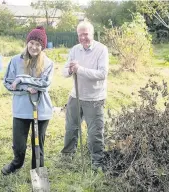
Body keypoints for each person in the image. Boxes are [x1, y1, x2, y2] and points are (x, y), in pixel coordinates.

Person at [1, 26, 54, 175]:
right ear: (27, 42)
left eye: (38, 44)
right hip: (21, 109)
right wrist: (25, 88)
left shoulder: (48, 63)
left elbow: (44, 84)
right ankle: (17, 163)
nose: (34, 47)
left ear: (42, 47)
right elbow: (7, 83)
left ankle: (37, 170)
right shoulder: (15, 60)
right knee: (19, 145)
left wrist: (21, 79)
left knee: (38, 144)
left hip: (41, 109)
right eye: (32, 42)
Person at [60, 21, 109, 171]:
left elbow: (102, 74)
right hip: (76, 96)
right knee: (71, 128)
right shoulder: (75, 50)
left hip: (94, 98)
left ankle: (97, 162)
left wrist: (79, 69)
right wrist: (69, 70)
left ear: (92, 34)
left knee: (94, 132)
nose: (83, 37)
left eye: (85, 34)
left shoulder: (101, 50)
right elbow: (63, 72)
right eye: (80, 34)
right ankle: (67, 156)